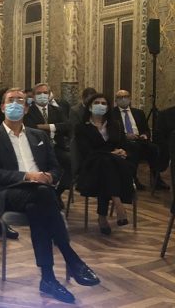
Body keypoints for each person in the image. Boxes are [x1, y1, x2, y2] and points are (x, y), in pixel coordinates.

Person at [0, 88, 99, 304]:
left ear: (26, 108)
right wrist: (28, 176)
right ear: (3, 107)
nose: (15, 104)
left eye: (20, 101)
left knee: (39, 206)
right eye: (11, 100)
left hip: (39, 195)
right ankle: (70, 257)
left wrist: (49, 177)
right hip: (9, 191)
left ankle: (48, 278)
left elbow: (55, 167)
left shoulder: (39, 135)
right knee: (44, 196)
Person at [75, 93, 135, 235]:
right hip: (91, 165)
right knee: (104, 164)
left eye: (104, 103)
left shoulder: (115, 125)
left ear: (108, 107)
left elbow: (124, 145)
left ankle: (102, 217)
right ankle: (117, 203)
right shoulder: (82, 127)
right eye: (97, 103)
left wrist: (123, 151)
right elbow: (86, 151)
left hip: (115, 165)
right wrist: (110, 153)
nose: (100, 106)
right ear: (90, 107)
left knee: (106, 168)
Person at [111, 89, 167, 190]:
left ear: (130, 99)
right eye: (120, 97)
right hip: (123, 142)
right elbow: (112, 131)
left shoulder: (138, 113)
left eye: (126, 97)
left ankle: (157, 179)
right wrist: (126, 136)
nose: (123, 99)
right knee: (134, 148)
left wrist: (145, 135)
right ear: (116, 100)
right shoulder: (112, 114)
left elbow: (146, 130)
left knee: (154, 148)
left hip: (140, 140)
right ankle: (133, 179)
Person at [23, 83, 72, 197]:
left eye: (45, 93)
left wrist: (47, 126)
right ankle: (45, 192)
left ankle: (56, 192)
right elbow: (31, 128)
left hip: (57, 146)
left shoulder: (57, 110)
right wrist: (55, 127)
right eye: (39, 93)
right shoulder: (28, 111)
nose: (42, 95)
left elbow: (67, 126)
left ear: (49, 94)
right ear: (33, 96)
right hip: (38, 148)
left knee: (70, 161)